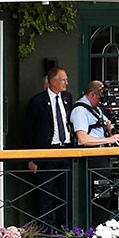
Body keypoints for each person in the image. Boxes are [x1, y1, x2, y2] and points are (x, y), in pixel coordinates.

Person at [22, 66, 75, 229]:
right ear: (53, 82)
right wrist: (31, 157)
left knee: (65, 192)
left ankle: (65, 227)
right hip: (46, 152)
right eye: (63, 79)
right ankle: (48, 228)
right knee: (46, 193)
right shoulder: (37, 101)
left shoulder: (67, 97)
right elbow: (29, 130)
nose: (67, 82)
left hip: (65, 151)